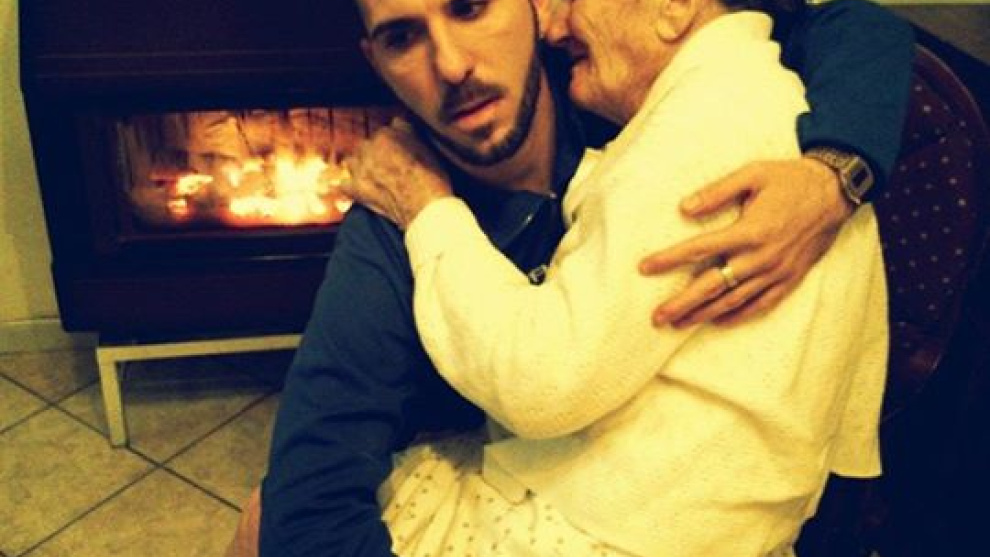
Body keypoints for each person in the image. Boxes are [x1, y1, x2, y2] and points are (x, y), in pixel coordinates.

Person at [233, 1, 913, 556]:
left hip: (648, 507)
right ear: (376, 62)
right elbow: (312, 500)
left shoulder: (632, 92)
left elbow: (858, 23)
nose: (451, 65)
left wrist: (836, 174)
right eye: (403, 38)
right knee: (265, 517)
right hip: (537, 478)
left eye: (470, 7)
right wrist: (425, 209)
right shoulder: (387, 227)